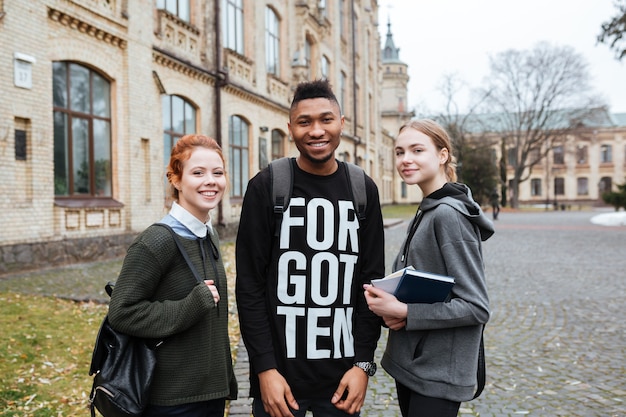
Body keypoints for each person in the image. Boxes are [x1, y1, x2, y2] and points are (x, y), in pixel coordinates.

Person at [235, 79, 385, 417]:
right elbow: (249, 288)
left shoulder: (363, 190)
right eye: (305, 122)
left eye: (326, 119)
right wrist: (265, 370)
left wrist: (362, 365)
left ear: (342, 124)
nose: (316, 130)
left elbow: (370, 285)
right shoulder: (267, 186)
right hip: (280, 381)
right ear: (290, 129)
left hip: (343, 380)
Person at [364, 119, 494, 417]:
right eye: (399, 152)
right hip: (414, 365)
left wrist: (406, 313)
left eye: (417, 150)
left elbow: (476, 307)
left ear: (442, 155)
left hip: (438, 375)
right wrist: (395, 311)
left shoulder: (449, 216)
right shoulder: (428, 208)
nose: (405, 159)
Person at [108, 134, 237, 417]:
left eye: (218, 172)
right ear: (176, 180)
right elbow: (122, 312)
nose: (211, 181)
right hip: (172, 400)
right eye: (198, 173)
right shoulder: (156, 241)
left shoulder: (208, 234)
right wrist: (189, 306)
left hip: (210, 394)